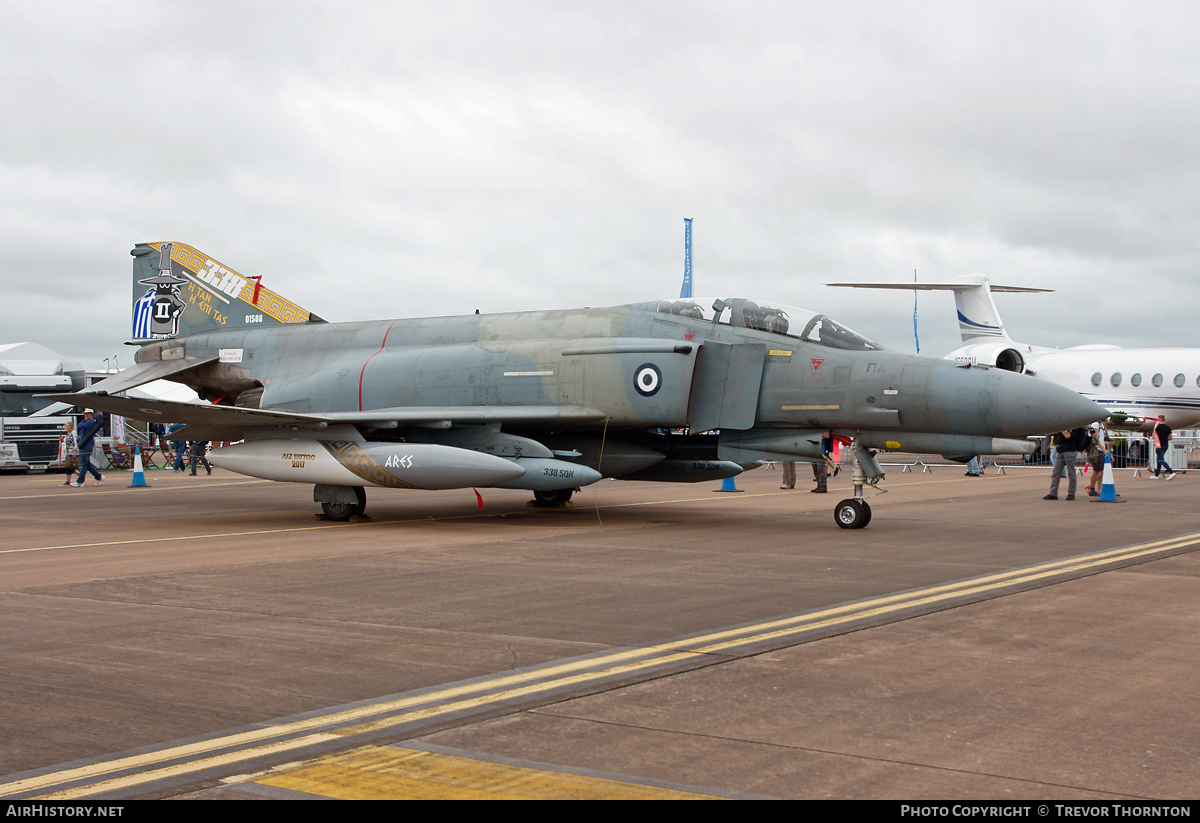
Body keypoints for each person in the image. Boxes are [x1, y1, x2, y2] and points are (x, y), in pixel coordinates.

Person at [1044, 427, 1087, 501]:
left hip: (1070, 450)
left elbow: (1068, 436)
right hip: (1061, 450)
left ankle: (1071, 493)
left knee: (1071, 472)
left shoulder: (1073, 426)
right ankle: (1053, 492)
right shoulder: (1062, 426)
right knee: (1056, 472)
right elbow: (1051, 433)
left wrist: (1061, 428)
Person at [72, 410, 104, 487]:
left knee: (82, 464)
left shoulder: (91, 422)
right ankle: (99, 476)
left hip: (86, 445)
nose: (86, 415)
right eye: (85, 414)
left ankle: (80, 481)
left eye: (87, 414)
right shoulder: (87, 422)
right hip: (84, 445)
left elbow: (79, 426)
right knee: (87, 464)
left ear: (91, 415)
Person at [1084, 423, 1109, 497]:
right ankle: (1091, 487)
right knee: (1097, 470)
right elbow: (1095, 439)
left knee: (1102, 470)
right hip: (1097, 450)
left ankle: (1098, 489)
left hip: (1100, 450)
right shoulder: (1095, 425)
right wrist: (1104, 449)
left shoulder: (1101, 426)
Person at [59, 421, 77, 487]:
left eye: (68, 426)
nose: (67, 427)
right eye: (66, 426)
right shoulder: (67, 434)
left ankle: (68, 481)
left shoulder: (74, 433)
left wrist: (75, 451)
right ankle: (79, 475)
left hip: (71, 452)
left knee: (69, 466)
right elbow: (66, 442)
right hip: (67, 452)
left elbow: (76, 442)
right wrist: (62, 440)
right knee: (69, 466)